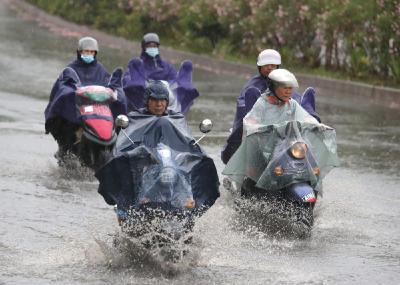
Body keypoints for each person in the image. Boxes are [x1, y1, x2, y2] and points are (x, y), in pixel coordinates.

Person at [221, 49, 320, 164]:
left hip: (284, 134)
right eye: (266, 65)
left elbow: (301, 107)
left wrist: (312, 120)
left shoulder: (291, 100)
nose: (269, 67)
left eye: (273, 65)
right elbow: (245, 108)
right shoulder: (258, 98)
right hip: (262, 134)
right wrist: (252, 121)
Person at [44, 36, 127, 159]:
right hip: (76, 110)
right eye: (86, 51)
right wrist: (71, 92)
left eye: (91, 52)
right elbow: (62, 86)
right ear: (79, 52)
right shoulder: (70, 69)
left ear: (95, 53)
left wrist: (115, 91)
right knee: (68, 128)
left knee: (114, 124)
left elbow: (108, 83)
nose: (89, 54)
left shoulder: (100, 69)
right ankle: (66, 150)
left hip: (97, 110)